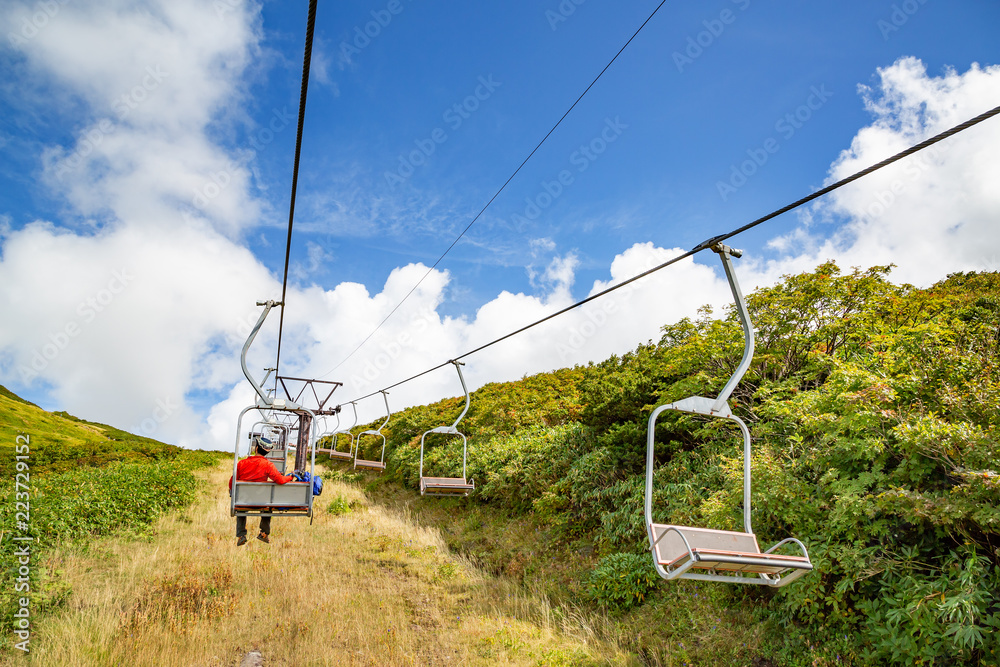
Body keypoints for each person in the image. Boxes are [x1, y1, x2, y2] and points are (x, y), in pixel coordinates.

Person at [229, 435, 296, 545]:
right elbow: (279, 480)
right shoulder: (268, 465)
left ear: (256, 449)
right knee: (268, 505)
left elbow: (232, 482)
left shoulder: (241, 463)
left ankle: (241, 535)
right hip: (260, 502)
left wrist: (231, 491)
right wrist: (290, 476)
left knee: (240, 506)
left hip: (243, 501)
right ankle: (264, 533)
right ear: (267, 452)